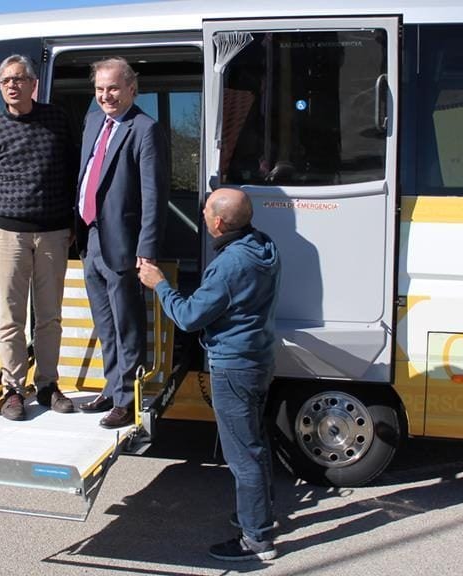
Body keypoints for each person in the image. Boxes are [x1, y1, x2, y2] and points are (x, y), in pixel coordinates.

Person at [138, 188, 281, 562]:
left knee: (243, 455)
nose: (200, 212)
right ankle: (258, 515)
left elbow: (188, 317)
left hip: (233, 366)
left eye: (205, 209)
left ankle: (257, 540)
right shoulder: (264, 245)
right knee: (255, 444)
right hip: (259, 360)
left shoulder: (231, 265)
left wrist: (159, 285)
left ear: (218, 222)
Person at [0, 54, 78, 421]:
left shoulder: (57, 122)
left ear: (33, 83)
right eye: (5, 81)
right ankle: (14, 390)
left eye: (18, 79)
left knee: (49, 316)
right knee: (11, 318)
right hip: (8, 235)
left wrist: (72, 225)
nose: (12, 86)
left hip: (52, 233)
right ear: (0, 88)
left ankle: (48, 385)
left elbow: (72, 175)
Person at [74, 57, 168, 429]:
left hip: (124, 243)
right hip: (90, 236)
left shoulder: (145, 129)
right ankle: (112, 389)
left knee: (128, 323)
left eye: (112, 88)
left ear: (132, 87)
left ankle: (128, 398)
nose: (105, 96)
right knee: (105, 323)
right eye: (99, 89)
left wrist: (147, 248)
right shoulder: (94, 120)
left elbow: (153, 195)